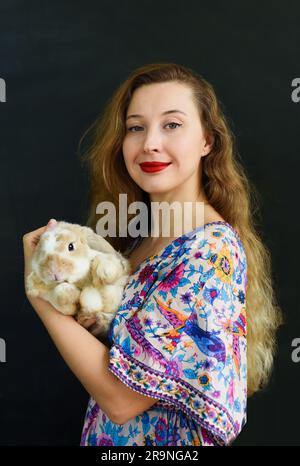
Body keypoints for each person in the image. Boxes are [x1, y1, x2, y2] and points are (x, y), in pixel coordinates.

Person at [23, 62, 283, 446]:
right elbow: (115, 355)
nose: (149, 143)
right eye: (136, 127)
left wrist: (39, 290)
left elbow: (122, 399)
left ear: (207, 142)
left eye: (172, 125)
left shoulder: (209, 252)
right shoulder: (139, 244)